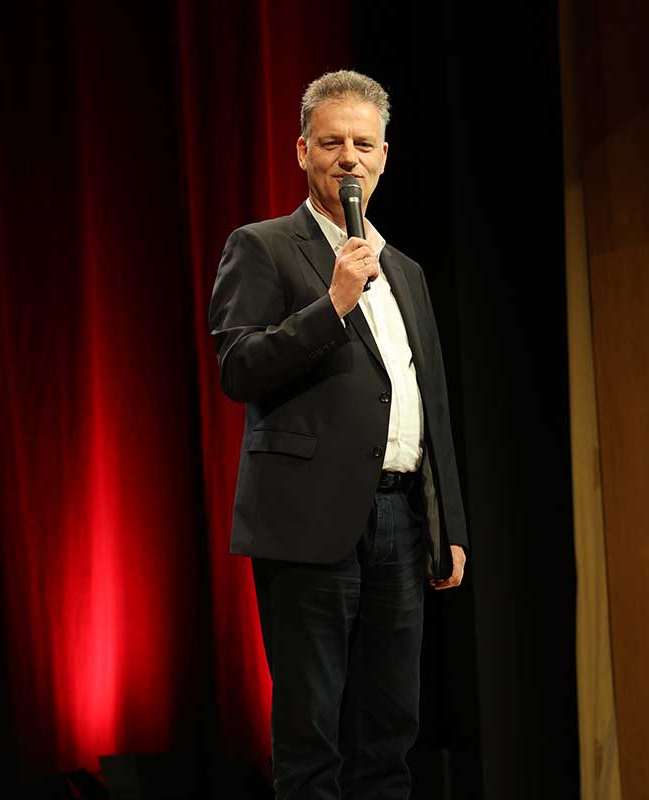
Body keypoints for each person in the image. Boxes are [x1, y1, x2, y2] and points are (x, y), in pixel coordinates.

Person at [208, 70, 469, 800]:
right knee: (311, 736)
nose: (348, 157)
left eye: (362, 143)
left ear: (384, 155)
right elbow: (239, 367)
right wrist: (332, 305)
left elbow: (429, 401)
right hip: (307, 522)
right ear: (302, 151)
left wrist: (448, 523)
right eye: (331, 143)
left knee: (390, 732)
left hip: (399, 521)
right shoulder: (262, 247)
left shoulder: (407, 271)